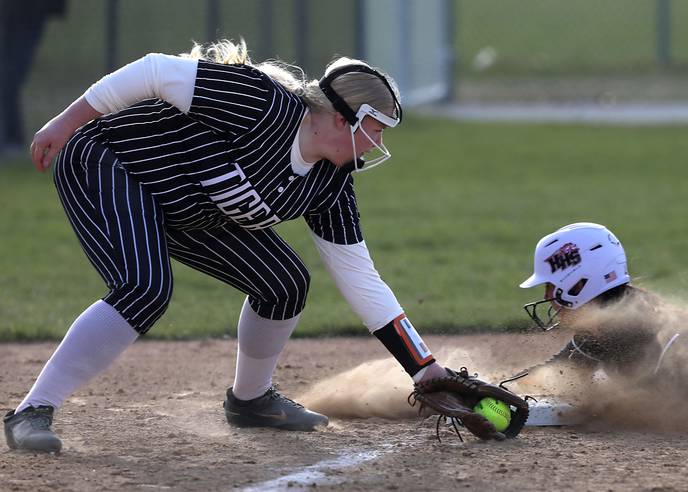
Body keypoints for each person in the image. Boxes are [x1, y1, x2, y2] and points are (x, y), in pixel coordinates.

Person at [4, 40, 448, 453]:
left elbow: (362, 279)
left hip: (189, 206)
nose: (378, 142)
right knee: (145, 288)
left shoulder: (330, 183)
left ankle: (250, 400)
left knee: (284, 282)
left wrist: (423, 368)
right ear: (341, 117)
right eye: (375, 128)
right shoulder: (263, 105)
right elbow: (154, 71)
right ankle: (32, 410)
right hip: (110, 160)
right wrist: (65, 122)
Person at [517, 222, 688, 415]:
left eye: (551, 285)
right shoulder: (607, 321)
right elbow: (559, 371)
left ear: (580, 282)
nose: (548, 296)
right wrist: (499, 389)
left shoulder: (633, 324)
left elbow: (657, 404)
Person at [0, 0, 66, 153]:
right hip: (14, 10)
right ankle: (12, 138)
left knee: (9, 75)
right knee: (8, 75)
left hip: (28, 9)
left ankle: (11, 140)